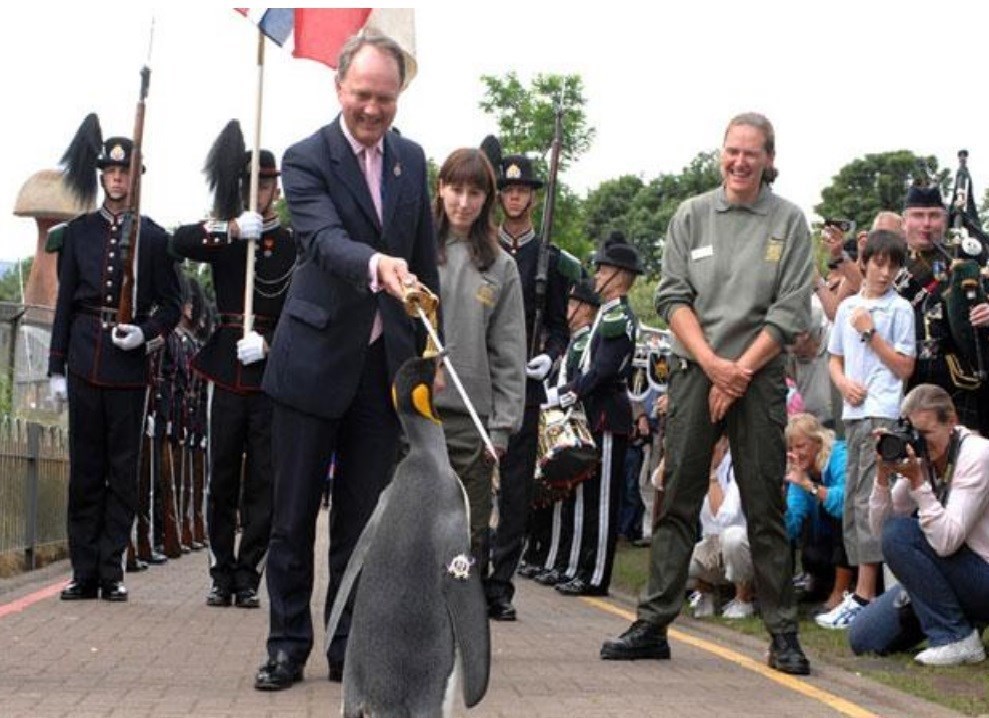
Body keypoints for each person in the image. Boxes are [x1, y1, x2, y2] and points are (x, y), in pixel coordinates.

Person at [254, 32, 439, 691]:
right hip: (311, 362)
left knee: (363, 525)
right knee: (292, 518)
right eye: (362, 95)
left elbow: (425, 261)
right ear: (339, 89)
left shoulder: (411, 160)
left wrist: (426, 358)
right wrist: (375, 263)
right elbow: (323, 238)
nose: (372, 109)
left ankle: (347, 648)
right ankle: (285, 646)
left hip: (382, 369)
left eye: (385, 98)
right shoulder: (306, 158)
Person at [600, 112, 813, 675]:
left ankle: (783, 634)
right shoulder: (691, 215)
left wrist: (739, 372)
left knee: (765, 505)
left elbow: (790, 309)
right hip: (698, 369)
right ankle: (652, 624)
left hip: (759, 374)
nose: (739, 162)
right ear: (722, 154)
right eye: (731, 151)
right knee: (677, 497)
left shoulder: (789, 222)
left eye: (751, 153)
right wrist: (716, 368)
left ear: (769, 159)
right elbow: (672, 297)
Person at [49, 132, 182, 602]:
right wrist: (56, 368)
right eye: (111, 171)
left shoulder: (155, 238)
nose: (117, 178)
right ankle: (83, 571)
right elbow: (65, 305)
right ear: (102, 176)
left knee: (122, 472)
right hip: (85, 355)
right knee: (86, 471)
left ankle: (112, 569)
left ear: (135, 178)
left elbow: (172, 306)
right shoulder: (79, 233)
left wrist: (146, 334)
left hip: (127, 367)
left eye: (125, 172)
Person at [171, 141, 296, 610]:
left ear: (276, 189)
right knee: (221, 476)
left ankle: (248, 574)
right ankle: (220, 572)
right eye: (250, 184)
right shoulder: (227, 235)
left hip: (268, 369)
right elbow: (179, 241)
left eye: (264, 184)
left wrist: (271, 343)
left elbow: (304, 310)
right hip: (225, 365)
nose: (257, 192)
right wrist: (230, 227)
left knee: (264, 480)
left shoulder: (292, 245)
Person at [486, 152, 579, 621]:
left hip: (525, 382)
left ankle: (500, 585)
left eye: (522, 190)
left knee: (517, 491)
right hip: (483, 377)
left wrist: (552, 354)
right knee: (475, 482)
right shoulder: (483, 248)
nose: (515, 197)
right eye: (508, 190)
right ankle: (467, 574)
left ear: (533, 198)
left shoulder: (550, 259)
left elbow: (561, 326)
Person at [432, 147, 526, 579]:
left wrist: (501, 428)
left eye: (475, 192)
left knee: (466, 544)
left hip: (471, 425)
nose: (463, 202)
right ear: (440, 188)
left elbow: (509, 353)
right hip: (413, 417)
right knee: (409, 532)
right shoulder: (413, 251)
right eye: (456, 189)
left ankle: (461, 616)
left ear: (488, 198)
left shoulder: (501, 266)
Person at [849, 384, 989, 666]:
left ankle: (955, 637)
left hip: (982, 571)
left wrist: (917, 482)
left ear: (951, 422)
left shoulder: (978, 454)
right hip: (956, 576)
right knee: (863, 637)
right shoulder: (925, 458)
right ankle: (960, 623)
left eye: (926, 433)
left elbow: (947, 541)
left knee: (901, 534)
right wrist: (882, 476)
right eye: (914, 434)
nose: (920, 443)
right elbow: (880, 530)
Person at [821, 229, 915, 630]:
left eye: (893, 265)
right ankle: (862, 593)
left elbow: (905, 367)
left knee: (870, 500)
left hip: (883, 412)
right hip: (854, 412)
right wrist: (843, 384)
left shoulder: (900, 309)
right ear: (864, 261)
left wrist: (870, 332)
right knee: (853, 501)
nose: (884, 272)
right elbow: (834, 358)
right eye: (878, 263)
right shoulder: (848, 307)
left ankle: (865, 594)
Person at [545, 231, 641, 597]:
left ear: (619, 275)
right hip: (593, 412)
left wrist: (565, 394)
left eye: (602, 270)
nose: (597, 276)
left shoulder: (618, 317)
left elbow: (601, 371)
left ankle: (596, 575)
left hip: (606, 415)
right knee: (585, 497)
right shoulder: (607, 315)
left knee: (601, 502)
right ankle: (578, 568)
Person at [896, 185, 989, 435]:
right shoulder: (890, 264)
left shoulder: (968, 261)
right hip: (906, 378)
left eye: (934, 216)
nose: (926, 224)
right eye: (918, 216)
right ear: (904, 222)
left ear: (945, 221)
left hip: (957, 381)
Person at [783, 413, 848, 611]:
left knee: (839, 516)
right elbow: (792, 528)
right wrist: (780, 502)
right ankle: (813, 583)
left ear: (818, 442)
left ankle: (840, 592)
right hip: (822, 546)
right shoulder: (800, 471)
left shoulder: (839, 456)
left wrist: (809, 486)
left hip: (851, 540)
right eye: (791, 449)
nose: (795, 453)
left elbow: (844, 503)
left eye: (800, 446)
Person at [687, 435, 755, 620]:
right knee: (673, 556)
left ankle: (743, 599)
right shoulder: (696, 462)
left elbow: (724, 517)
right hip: (712, 545)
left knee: (732, 538)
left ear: (725, 442)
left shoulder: (737, 465)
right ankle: (706, 592)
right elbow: (659, 481)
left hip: (746, 548)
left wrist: (712, 476)